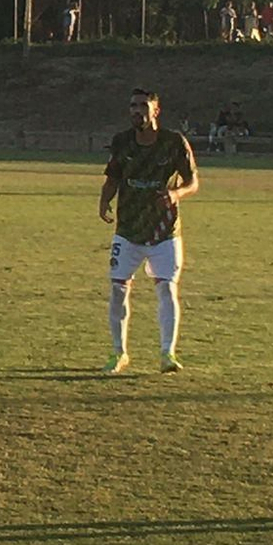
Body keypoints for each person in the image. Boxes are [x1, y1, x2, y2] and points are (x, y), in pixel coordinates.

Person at [99, 88, 199, 374]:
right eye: (133, 105)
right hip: (128, 230)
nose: (137, 111)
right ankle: (119, 353)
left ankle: (167, 354)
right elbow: (113, 177)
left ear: (156, 110)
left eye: (143, 105)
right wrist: (104, 200)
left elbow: (193, 182)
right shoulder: (122, 142)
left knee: (167, 288)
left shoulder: (173, 142)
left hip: (164, 231)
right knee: (118, 290)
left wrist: (176, 194)